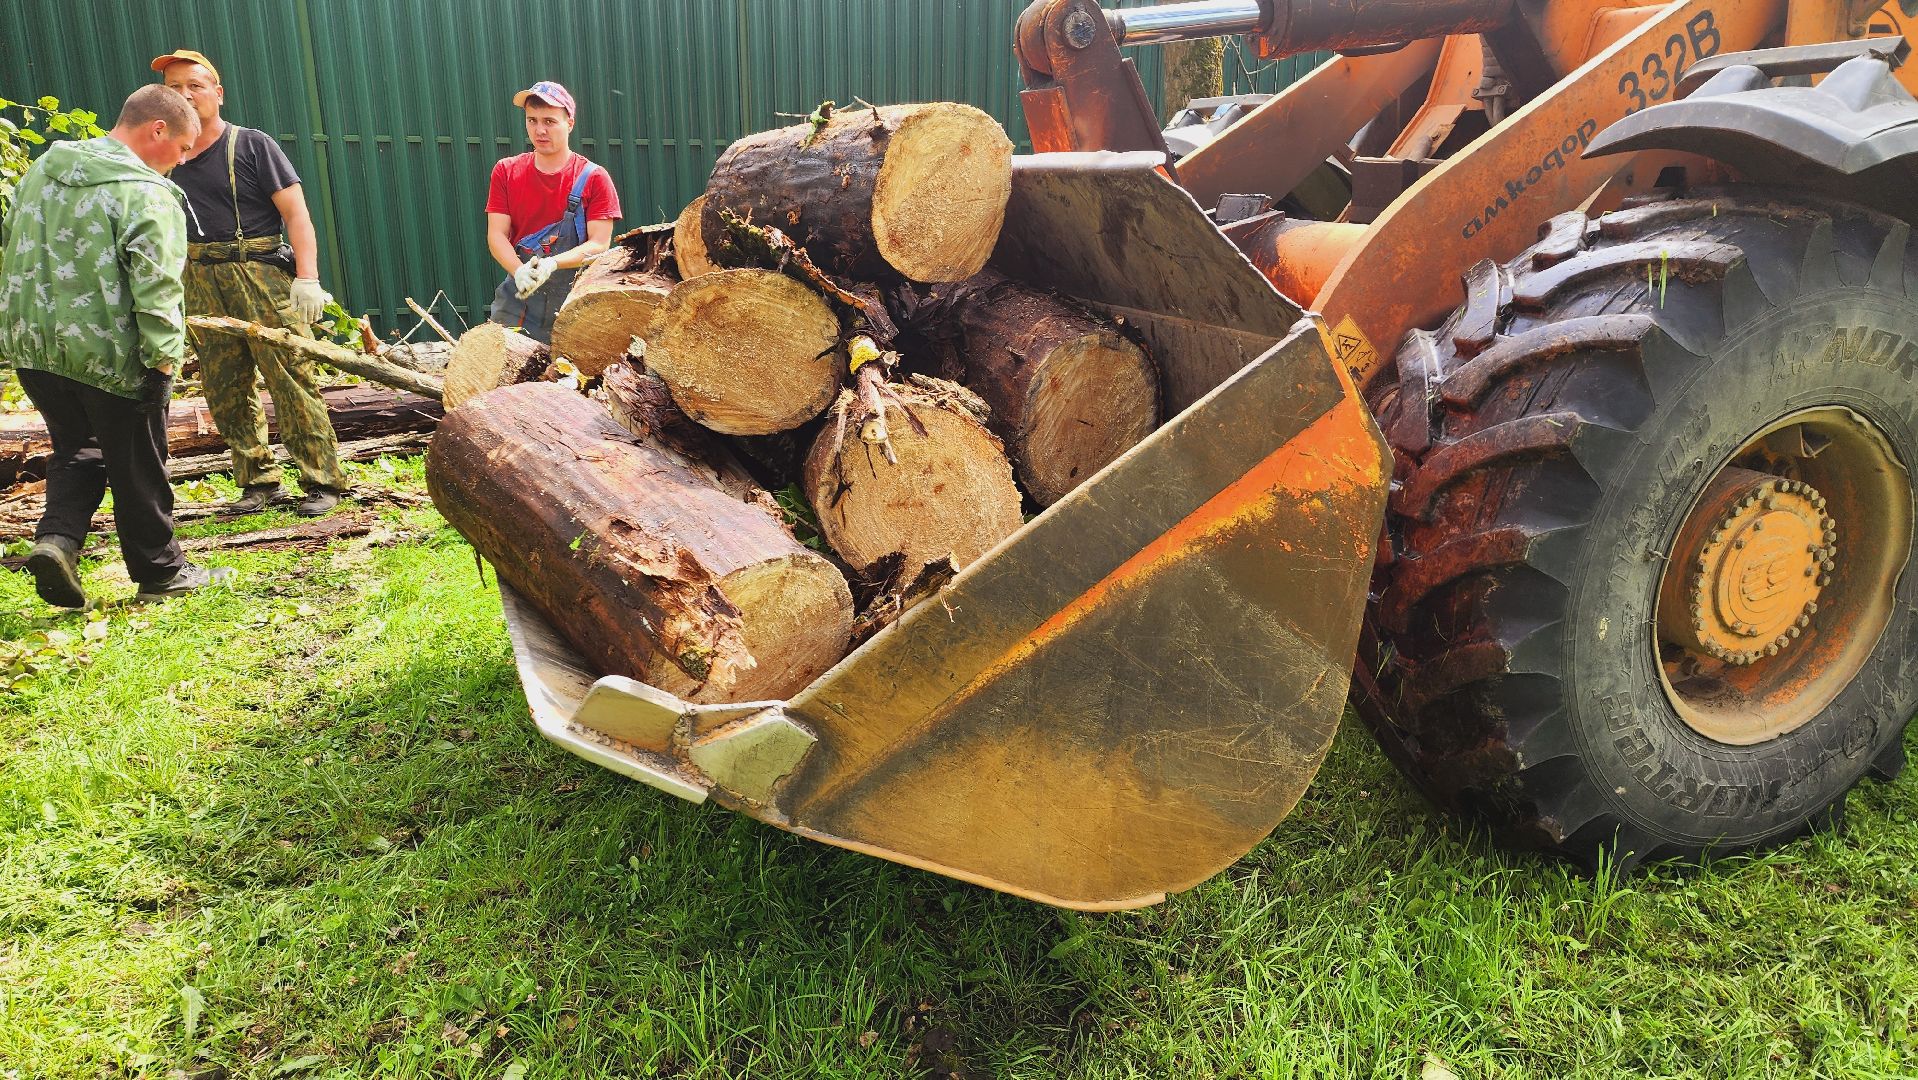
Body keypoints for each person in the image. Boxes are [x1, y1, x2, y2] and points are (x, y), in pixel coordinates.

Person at [0, 86, 236, 607]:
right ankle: (161, 571)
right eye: (180, 149)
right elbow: (157, 286)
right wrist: (163, 360)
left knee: (77, 449)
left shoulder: (42, 171)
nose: (179, 163)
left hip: (35, 347)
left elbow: (10, 237)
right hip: (111, 354)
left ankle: (57, 542)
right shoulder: (145, 193)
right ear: (157, 130)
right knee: (138, 462)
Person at [156, 48, 348, 517]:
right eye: (174, 87)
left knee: (290, 378)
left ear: (216, 93)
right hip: (197, 276)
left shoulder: (251, 144)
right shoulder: (164, 154)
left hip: (258, 272)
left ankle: (322, 481)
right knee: (224, 385)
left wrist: (307, 277)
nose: (184, 94)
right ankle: (257, 481)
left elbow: (297, 213)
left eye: (194, 85)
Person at [485, 81, 621, 343]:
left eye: (550, 121)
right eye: (532, 120)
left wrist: (553, 263)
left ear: (569, 123)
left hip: (575, 304)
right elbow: (496, 235)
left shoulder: (593, 178)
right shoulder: (506, 171)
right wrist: (518, 270)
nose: (540, 130)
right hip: (519, 299)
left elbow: (600, 243)